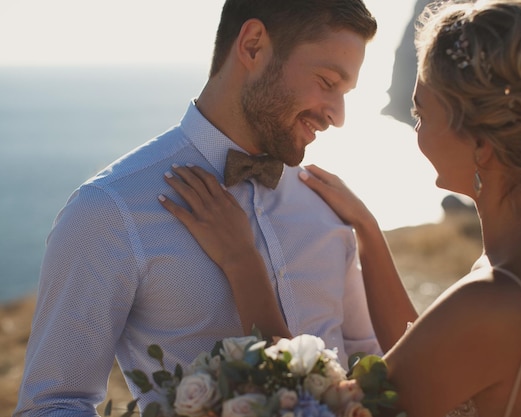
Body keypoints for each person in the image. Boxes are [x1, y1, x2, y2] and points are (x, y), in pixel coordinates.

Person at [157, 0, 521, 416]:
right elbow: (438, 355)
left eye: (421, 112)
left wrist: (242, 262)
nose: (416, 128)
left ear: (481, 142)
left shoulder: (494, 296)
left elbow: (321, 408)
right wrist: (369, 232)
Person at [14, 1, 381, 415]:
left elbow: (368, 363)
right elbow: (53, 404)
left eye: (344, 92)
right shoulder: (110, 210)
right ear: (254, 46)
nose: (338, 115)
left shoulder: (326, 202)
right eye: (327, 81)